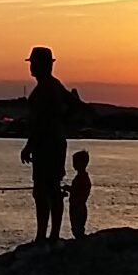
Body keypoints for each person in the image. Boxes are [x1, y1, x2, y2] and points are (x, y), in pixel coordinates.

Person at [20, 46, 85, 245]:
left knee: (45, 191)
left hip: (48, 144)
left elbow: (42, 122)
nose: (31, 67)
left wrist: (29, 145)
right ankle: (48, 234)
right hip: (51, 143)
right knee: (48, 189)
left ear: (45, 64)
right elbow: (74, 105)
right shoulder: (52, 86)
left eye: (34, 62)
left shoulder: (48, 88)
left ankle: (46, 235)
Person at [68, 148, 93, 240]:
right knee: (76, 227)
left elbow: (80, 192)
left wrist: (71, 191)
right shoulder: (81, 177)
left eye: (75, 162)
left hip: (78, 207)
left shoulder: (82, 178)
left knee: (77, 227)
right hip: (76, 206)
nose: (73, 164)